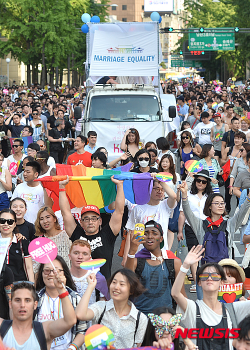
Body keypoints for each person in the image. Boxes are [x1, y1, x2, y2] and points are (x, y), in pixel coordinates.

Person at [171, 246, 250, 350]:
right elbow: (175, 294)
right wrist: (185, 266)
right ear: (199, 282)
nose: (209, 278)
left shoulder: (233, 309)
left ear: (222, 282)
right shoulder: (193, 308)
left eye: (215, 276)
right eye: (204, 276)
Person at [58, 175, 124, 279]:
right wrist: (62, 188)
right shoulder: (76, 234)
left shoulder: (108, 235)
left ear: (100, 221)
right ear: (81, 222)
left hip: (103, 289)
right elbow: (65, 212)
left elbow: (119, 211)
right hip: (80, 287)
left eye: (94, 218)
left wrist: (119, 186)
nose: (90, 222)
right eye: (86, 219)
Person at [179, 181, 250, 267]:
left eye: (222, 203)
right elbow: (187, 212)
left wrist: (248, 198)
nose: (220, 206)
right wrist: (184, 194)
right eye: (216, 203)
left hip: (225, 269)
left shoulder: (229, 223)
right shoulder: (200, 224)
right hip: (206, 270)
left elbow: (242, 213)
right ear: (209, 206)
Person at [75, 269, 148, 349]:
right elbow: (80, 314)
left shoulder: (140, 319)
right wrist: (91, 286)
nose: (116, 287)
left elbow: (137, 346)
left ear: (131, 290)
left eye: (122, 284)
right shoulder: (101, 307)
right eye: (114, 282)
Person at [125, 220, 185, 314]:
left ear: (161, 238)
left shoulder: (174, 263)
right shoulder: (135, 261)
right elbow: (126, 280)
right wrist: (131, 252)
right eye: (146, 233)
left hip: (166, 319)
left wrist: (189, 316)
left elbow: (182, 294)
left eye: (154, 233)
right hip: (141, 318)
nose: (149, 236)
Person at [0, 279, 77, 350]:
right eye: (17, 300)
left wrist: (61, 290)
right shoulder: (1, 326)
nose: (22, 305)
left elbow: (70, 321)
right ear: (10, 304)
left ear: (35, 305)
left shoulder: (44, 330)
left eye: (27, 300)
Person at [35, 256, 86, 350]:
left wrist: (72, 348)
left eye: (56, 271)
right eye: (47, 270)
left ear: (64, 273)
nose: (51, 274)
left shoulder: (75, 298)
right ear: (41, 274)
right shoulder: (34, 299)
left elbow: (82, 330)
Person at [124, 178, 177, 265]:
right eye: (156, 189)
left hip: (161, 254)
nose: (160, 192)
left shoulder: (165, 206)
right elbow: (130, 233)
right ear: (148, 190)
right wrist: (127, 255)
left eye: (162, 189)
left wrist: (160, 180)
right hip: (141, 253)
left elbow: (173, 196)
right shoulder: (138, 208)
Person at [178, 169, 213, 292]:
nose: (201, 183)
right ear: (195, 180)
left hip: (206, 227)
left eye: (204, 182)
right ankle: (197, 281)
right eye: (198, 180)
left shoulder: (210, 197)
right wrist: (180, 231)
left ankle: (206, 279)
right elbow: (182, 213)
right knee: (194, 253)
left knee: (206, 253)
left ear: (207, 183)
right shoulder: (188, 195)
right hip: (190, 227)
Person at [0, 208, 34, 282]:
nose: (6, 224)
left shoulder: (22, 241)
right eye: (2, 221)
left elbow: (28, 267)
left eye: (10, 222)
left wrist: (32, 286)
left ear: (15, 224)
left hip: (18, 286)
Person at [34, 206, 72, 271]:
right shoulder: (39, 241)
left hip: (66, 275)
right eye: (41, 219)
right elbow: (37, 266)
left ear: (54, 219)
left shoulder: (66, 235)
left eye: (48, 217)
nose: (45, 221)